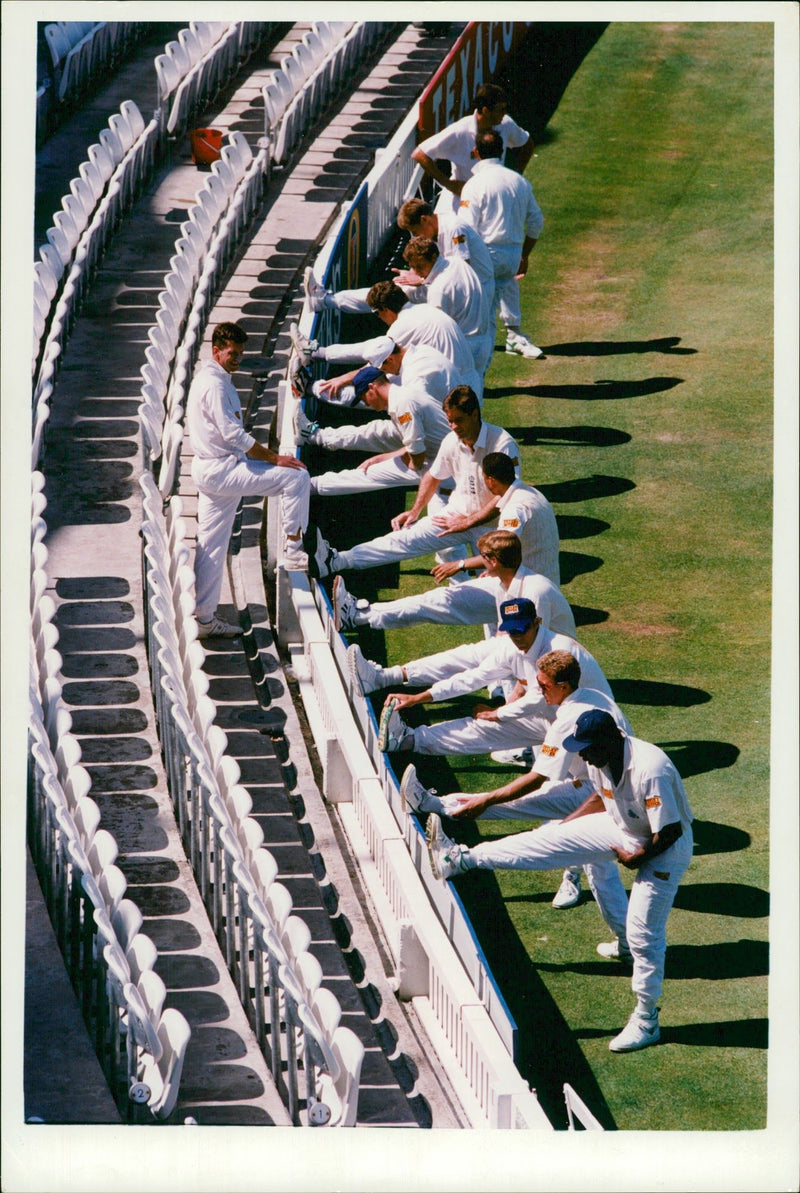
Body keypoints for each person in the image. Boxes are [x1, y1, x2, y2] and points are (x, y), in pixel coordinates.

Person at [425, 708, 694, 1053]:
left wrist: (636, 859)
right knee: (548, 839)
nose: (581, 754)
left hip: (663, 849)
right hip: (626, 828)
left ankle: (646, 1020)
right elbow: (600, 797)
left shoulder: (650, 768)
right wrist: (567, 828)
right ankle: (461, 859)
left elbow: (669, 830)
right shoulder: (601, 757)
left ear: (610, 740)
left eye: (586, 747)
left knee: (644, 934)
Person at [401, 649, 632, 912]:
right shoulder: (591, 696)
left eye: (543, 685)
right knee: (597, 866)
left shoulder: (567, 719)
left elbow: (536, 779)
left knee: (547, 835)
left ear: (563, 686)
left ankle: (449, 834)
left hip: (603, 794)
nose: (539, 689)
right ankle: (436, 807)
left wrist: (487, 799)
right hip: (600, 789)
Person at [306, 386, 519, 579]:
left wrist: (467, 522)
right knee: (402, 539)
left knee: (497, 592)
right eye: (450, 420)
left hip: (494, 528)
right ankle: (336, 561)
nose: (453, 427)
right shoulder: (451, 440)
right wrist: (415, 512)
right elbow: (432, 476)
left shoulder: (503, 444)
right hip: (455, 517)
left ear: (474, 414)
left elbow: (507, 495)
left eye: (459, 420)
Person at [186, 322, 310, 638]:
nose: (238, 359)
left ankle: (203, 618)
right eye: (232, 353)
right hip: (222, 470)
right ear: (216, 350)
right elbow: (232, 434)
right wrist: (273, 457)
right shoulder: (214, 384)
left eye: (241, 353)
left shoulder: (211, 378)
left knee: (212, 544)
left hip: (212, 469)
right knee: (296, 477)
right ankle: (295, 549)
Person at [375, 597, 613, 758]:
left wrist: (497, 713)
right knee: (480, 727)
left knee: (559, 789)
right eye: (511, 630)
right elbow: (474, 677)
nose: (517, 636)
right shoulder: (511, 648)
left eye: (522, 629)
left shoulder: (558, 651)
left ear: (537, 623)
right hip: (545, 716)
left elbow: (538, 699)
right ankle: (407, 740)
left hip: (585, 729)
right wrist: (419, 697)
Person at [334, 478, 567, 635]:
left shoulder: (516, 507)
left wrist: (461, 564)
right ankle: (358, 616)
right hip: (521, 591)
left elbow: (504, 550)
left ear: (492, 481)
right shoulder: (531, 495)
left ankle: (357, 616)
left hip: (518, 596)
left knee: (437, 603)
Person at [290, 280, 481, 398]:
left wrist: (343, 378)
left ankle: (311, 385)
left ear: (386, 310)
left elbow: (372, 357)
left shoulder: (404, 324)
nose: (380, 319)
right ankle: (315, 355)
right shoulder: (423, 308)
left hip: (450, 391)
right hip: (463, 385)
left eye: (378, 314)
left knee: (372, 388)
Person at [293, 365, 450, 497]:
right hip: (440, 455)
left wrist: (388, 461)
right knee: (375, 431)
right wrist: (382, 457)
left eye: (363, 398)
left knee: (371, 474)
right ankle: (312, 436)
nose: (365, 403)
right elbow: (416, 445)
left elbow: (417, 459)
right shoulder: (401, 397)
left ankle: (306, 486)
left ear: (371, 388)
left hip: (446, 467)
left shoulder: (403, 407)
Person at [459, 130, 544, 359]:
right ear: (502, 151)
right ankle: (514, 337)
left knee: (484, 307)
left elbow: (464, 228)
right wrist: (524, 255)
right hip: (513, 253)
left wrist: (465, 260)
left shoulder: (474, 185)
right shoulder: (520, 181)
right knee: (508, 287)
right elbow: (536, 221)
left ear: (476, 153)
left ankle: (483, 353)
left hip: (486, 253)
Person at [412, 83, 533, 214]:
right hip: (462, 200)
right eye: (500, 109)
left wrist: (517, 173)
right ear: (486, 110)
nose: (504, 113)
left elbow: (527, 143)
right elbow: (420, 153)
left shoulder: (506, 124)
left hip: (492, 199)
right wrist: (449, 184)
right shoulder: (460, 131)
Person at [398, 236, 492, 376]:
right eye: (413, 266)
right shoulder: (457, 262)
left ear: (434, 257)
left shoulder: (438, 290)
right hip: (483, 341)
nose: (416, 272)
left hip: (463, 349)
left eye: (420, 266)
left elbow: (437, 332)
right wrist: (422, 281)